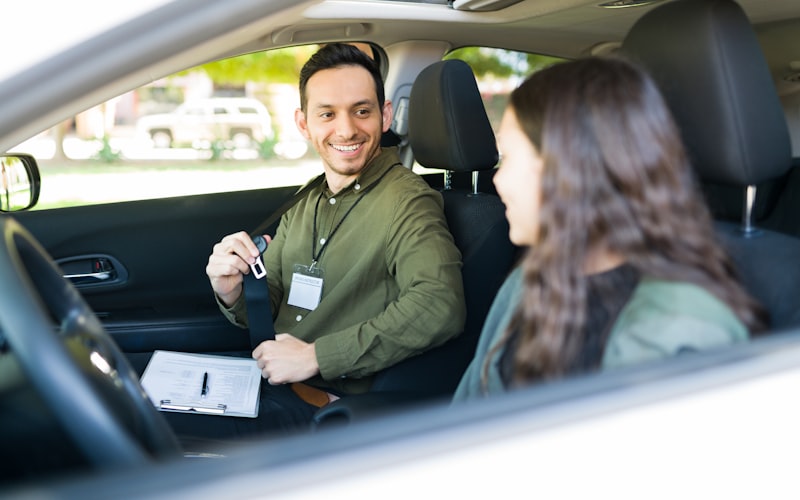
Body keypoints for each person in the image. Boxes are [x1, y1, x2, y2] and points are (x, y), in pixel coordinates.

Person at [453, 56, 766, 400]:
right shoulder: (531, 280)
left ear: (568, 170)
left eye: (509, 157)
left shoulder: (683, 330)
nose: (498, 179)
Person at [193, 43, 465, 437]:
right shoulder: (309, 197)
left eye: (361, 110)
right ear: (304, 124)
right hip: (276, 382)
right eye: (327, 114)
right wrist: (232, 291)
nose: (346, 129)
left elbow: (439, 304)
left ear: (384, 116)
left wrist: (316, 356)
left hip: (330, 408)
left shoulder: (408, 200)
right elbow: (276, 299)